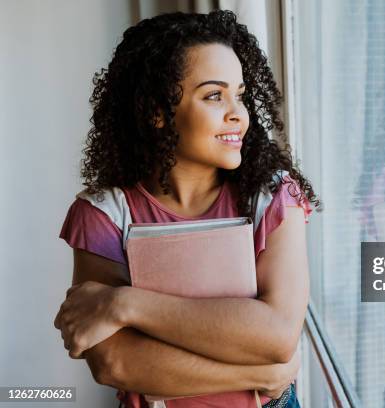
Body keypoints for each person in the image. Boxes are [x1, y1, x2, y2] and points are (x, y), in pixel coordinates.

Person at [53, 11, 319, 408]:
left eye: (240, 94)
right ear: (156, 112)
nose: (238, 113)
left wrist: (124, 304)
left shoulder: (274, 196)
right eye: (214, 95)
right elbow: (114, 363)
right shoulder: (104, 214)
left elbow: (277, 336)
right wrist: (258, 372)